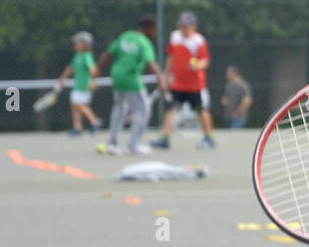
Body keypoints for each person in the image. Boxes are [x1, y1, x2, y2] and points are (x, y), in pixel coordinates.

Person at [96, 15, 168, 156]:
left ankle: (112, 144)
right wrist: (161, 79)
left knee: (119, 109)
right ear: (148, 29)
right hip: (131, 78)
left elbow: (108, 54)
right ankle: (134, 145)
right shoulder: (143, 42)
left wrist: (97, 69)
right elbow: (150, 63)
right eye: (154, 30)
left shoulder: (125, 36)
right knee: (143, 109)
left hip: (117, 76)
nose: (155, 34)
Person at [152, 11, 216, 150]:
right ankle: (165, 139)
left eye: (186, 26)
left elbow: (205, 60)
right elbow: (170, 58)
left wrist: (197, 65)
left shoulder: (199, 40)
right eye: (181, 25)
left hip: (194, 87)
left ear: (194, 26)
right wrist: (164, 77)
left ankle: (209, 138)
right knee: (171, 110)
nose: (183, 28)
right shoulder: (175, 37)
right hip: (178, 86)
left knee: (200, 110)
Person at [56, 31, 101, 135]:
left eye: (77, 43)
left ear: (84, 44)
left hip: (85, 86)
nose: (75, 45)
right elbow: (70, 68)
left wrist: (94, 82)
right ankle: (77, 127)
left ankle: (94, 121)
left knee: (80, 104)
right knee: (74, 105)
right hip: (77, 86)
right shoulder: (77, 56)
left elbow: (93, 70)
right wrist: (62, 78)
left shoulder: (87, 56)